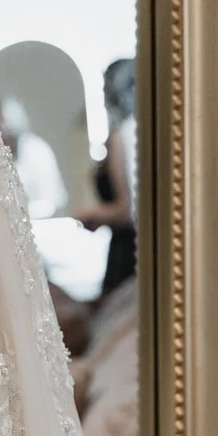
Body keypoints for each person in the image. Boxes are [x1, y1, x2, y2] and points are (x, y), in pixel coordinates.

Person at [80, 57, 138, 297]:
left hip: (126, 253)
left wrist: (93, 214)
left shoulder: (122, 135)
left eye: (107, 90)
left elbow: (127, 210)